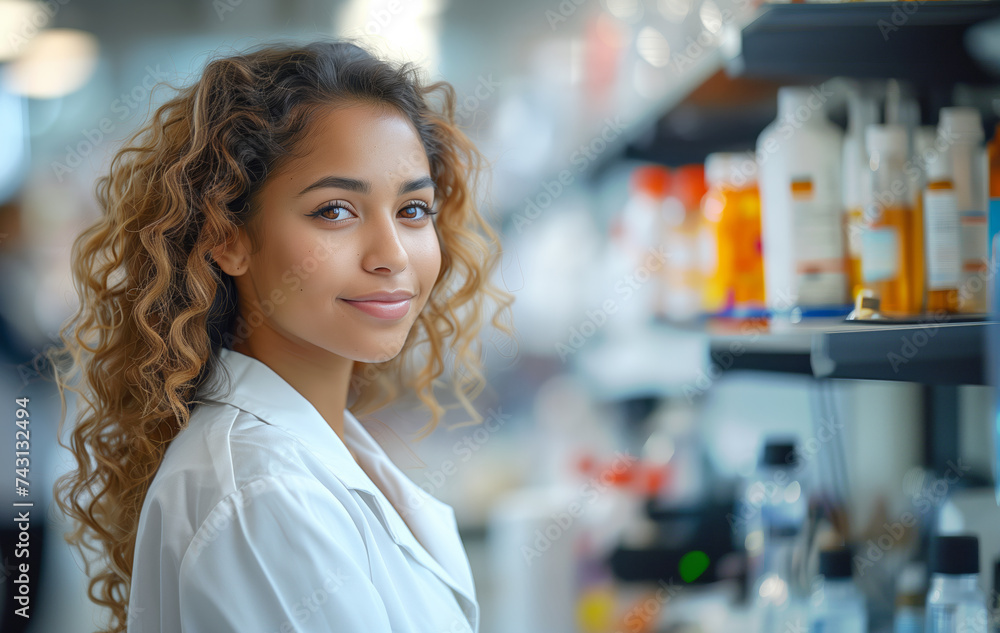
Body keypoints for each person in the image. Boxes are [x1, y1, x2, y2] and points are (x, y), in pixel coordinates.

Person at [45, 39, 515, 633]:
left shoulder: (311, 450)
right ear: (228, 237)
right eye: (335, 211)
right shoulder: (262, 496)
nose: (392, 255)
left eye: (413, 210)